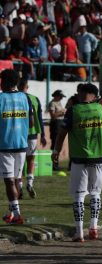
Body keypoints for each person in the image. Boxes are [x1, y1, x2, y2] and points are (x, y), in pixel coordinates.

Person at [51, 83, 102, 242]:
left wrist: (56, 151)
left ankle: (79, 232)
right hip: (99, 156)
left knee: (79, 195)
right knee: (95, 192)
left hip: (79, 158)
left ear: (84, 93)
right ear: (95, 96)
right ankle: (94, 228)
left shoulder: (73, 110)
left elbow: (62, 133)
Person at [1, 69, 33, 225]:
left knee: (9, 182)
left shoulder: (1, 99)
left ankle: (17, 214)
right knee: (16, 180)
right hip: (21, 144)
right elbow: (31, 121)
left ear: (5, 82)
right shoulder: (24, 98)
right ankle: (13, 214)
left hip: (6, 145)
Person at [17, 78, 47, 199]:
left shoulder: (16, 99)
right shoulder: (35, 99)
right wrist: (43, 135)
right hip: (33, 134)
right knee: (31, 160)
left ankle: (19, 187)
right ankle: (29, 184)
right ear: (27, 87)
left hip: (18, 133)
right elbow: (40, 118)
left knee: (19, 162)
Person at [48, 89, 66, 171]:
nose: (61, 98)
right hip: (55, 124)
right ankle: (54, 164)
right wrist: (62, 112)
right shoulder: (52, 103)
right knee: (55, 143)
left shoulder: (59, 103)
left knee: (59, 143)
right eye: (60, 96)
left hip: (60, 123)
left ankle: (56, 163)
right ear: (56, 96)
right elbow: (53, 116)